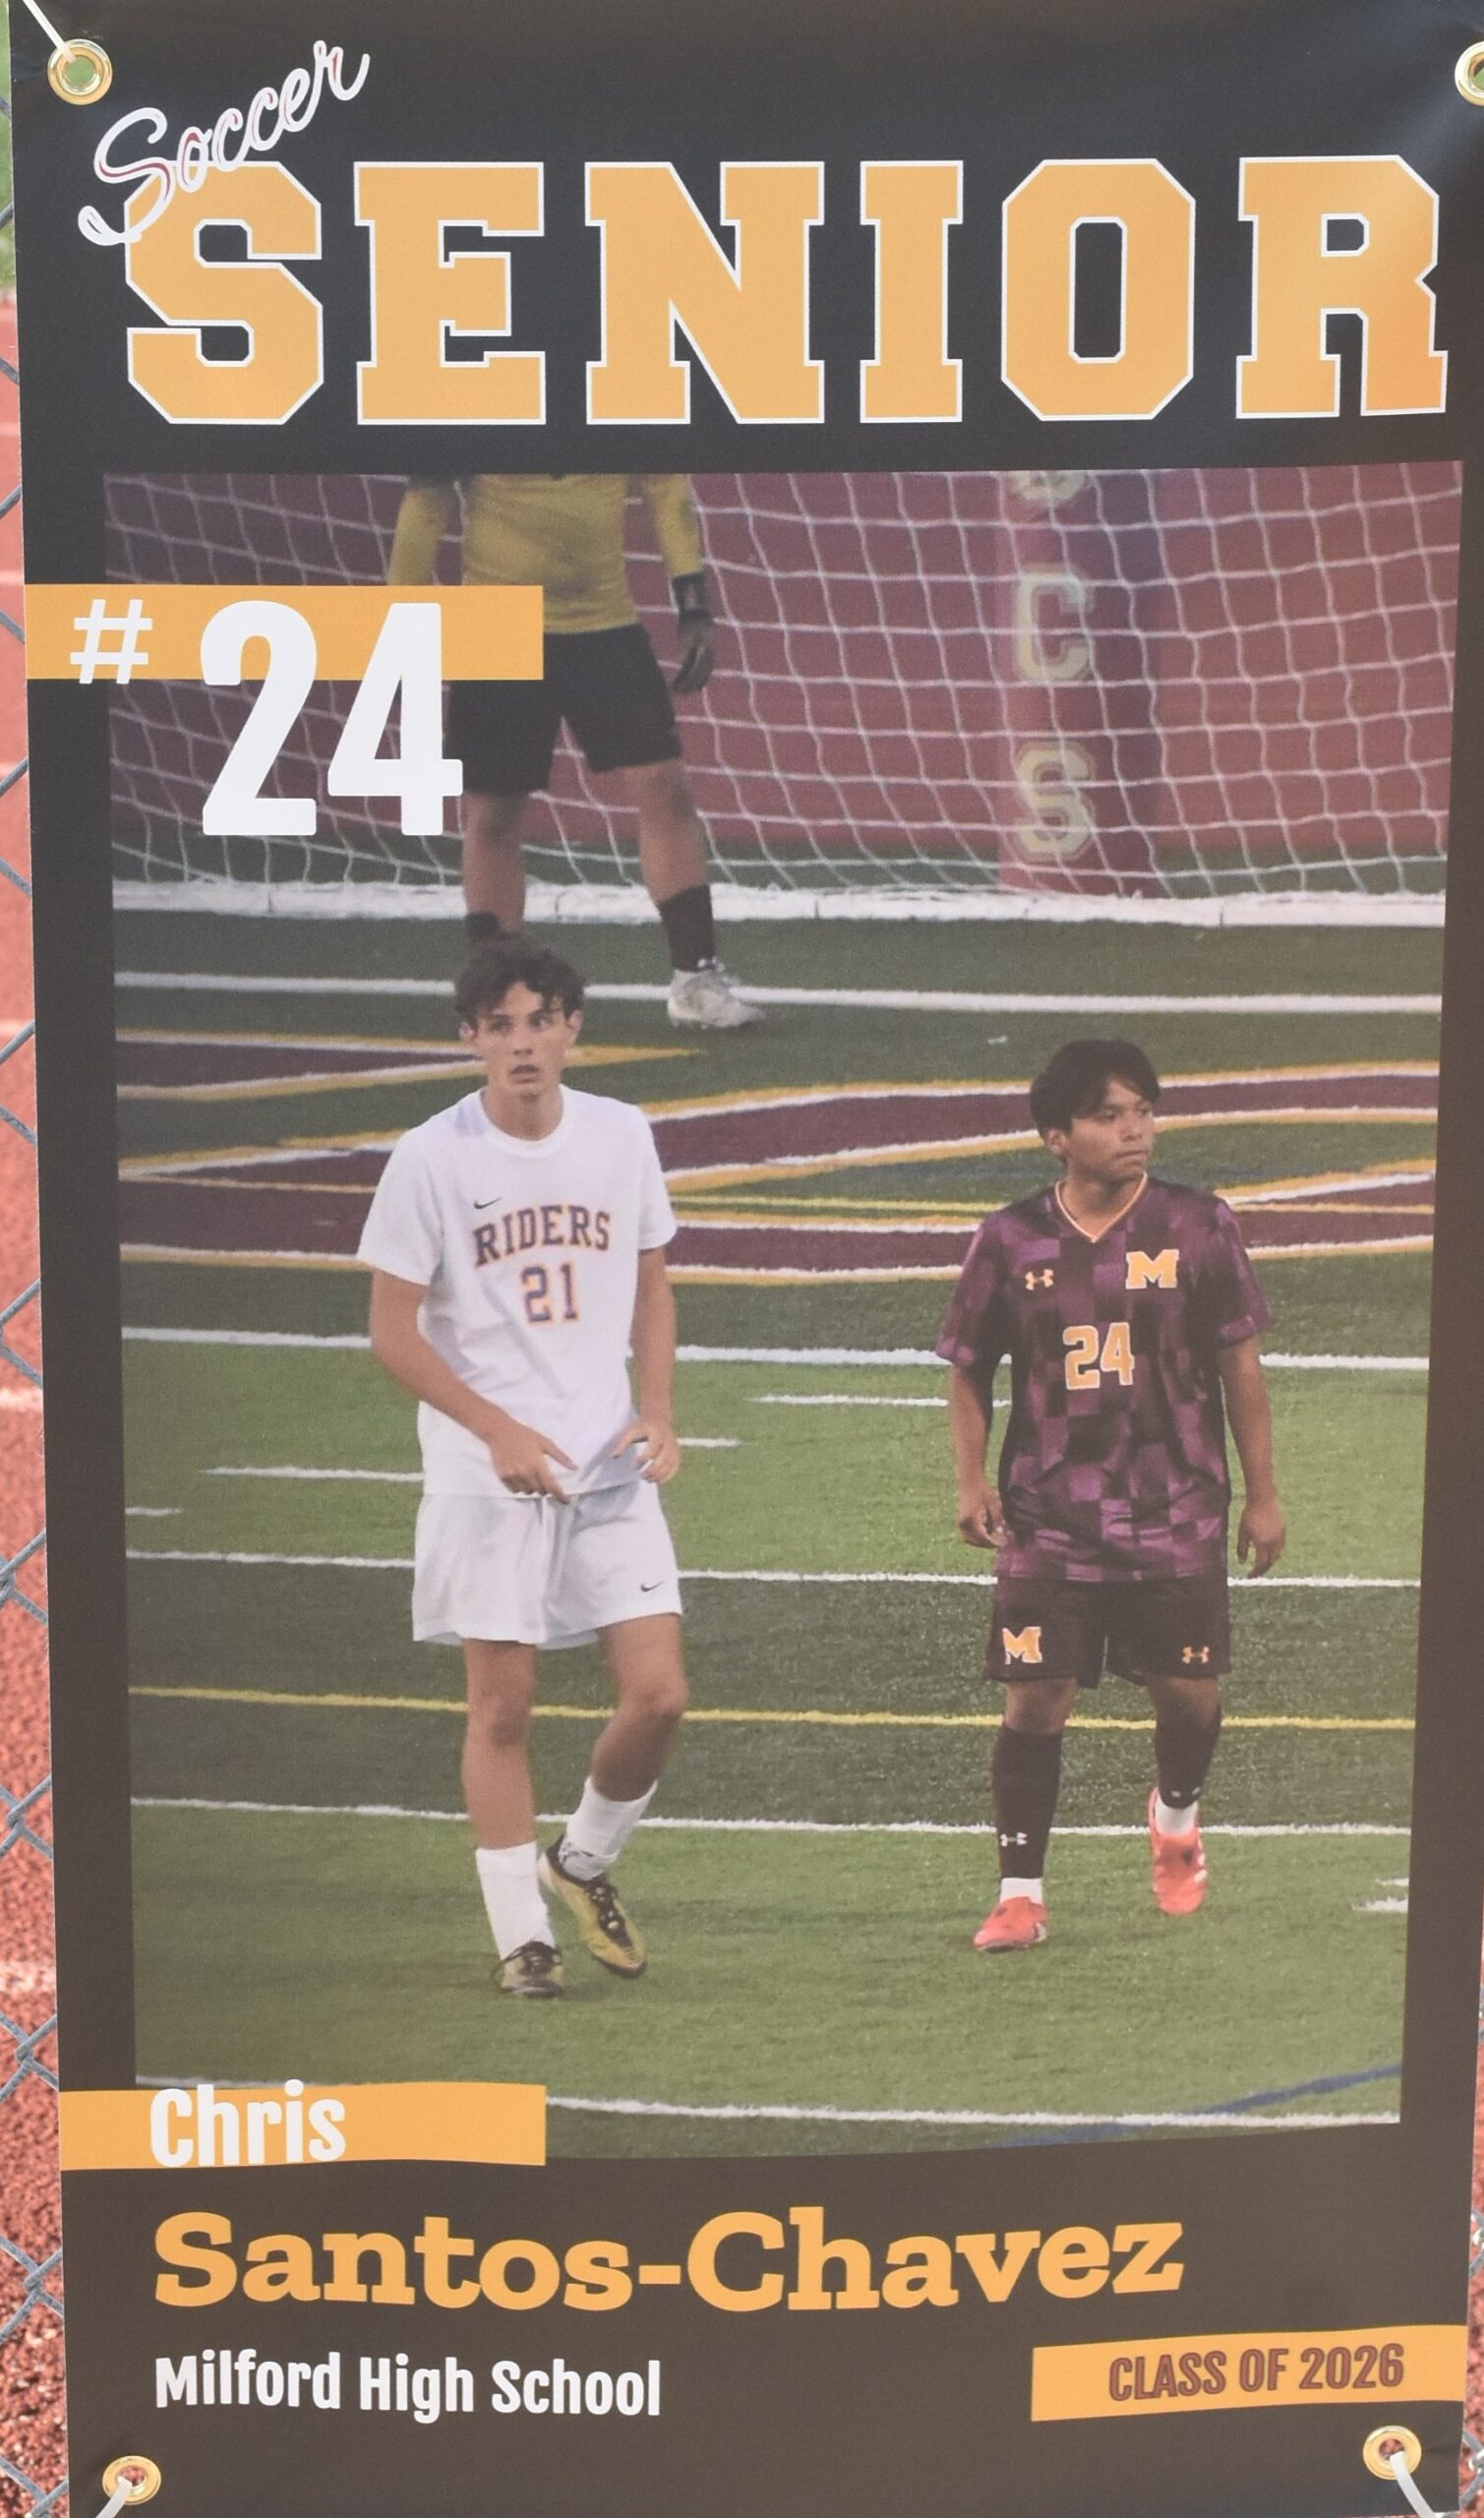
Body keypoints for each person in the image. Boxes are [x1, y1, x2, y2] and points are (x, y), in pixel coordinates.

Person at [357, 937, 688, 1998]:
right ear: (471, 1039)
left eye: (539, 1020)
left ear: (572, 1028)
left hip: (605, 1461)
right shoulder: (431, 1157)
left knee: (660, 1696)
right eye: (499, 1025)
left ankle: (580, 1861)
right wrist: (495, 1429)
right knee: (503, 1708)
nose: (522, 1043)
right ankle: (521, 1938)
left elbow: (652, 1284)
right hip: (486, 1473)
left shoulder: (622, 1134)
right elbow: (392, 1331)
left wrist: (658, 1410)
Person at [937, 1037, 1285, 1953]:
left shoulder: (1197, 1224)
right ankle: (1019, 1895)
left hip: (1176, 1509)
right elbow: (968, 1365)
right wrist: (970, 1478)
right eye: (1108, 1116)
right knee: (1035, 1698)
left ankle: (1175, 1818)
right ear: (1056, 1136)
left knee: (1188, 1697)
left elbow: (1239, 1365)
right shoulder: (1008, 1239)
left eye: (1142, 1112)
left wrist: (1262, 1495)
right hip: (1047, 1514)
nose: (1134, 1131)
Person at [387, 473, 761, 1031]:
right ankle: (494, 991)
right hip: (496, 625)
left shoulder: (616, 415)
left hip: (603, 624)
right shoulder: (472, 416)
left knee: (664, 788)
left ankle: (695, 980)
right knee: (492, 813)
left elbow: (665, 487)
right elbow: (427, 499)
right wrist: (402, 617)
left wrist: (693, 603)